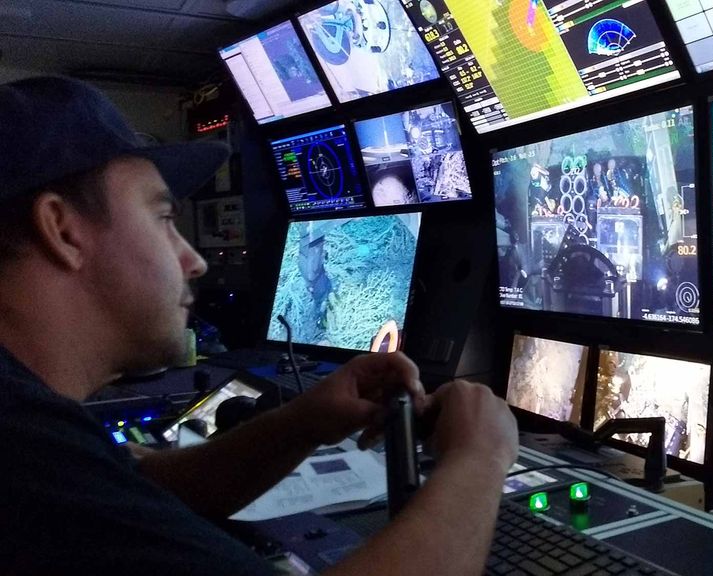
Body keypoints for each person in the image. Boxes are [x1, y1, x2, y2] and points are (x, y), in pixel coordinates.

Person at [0, 76, 519, 574]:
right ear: (62, 229)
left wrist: (305, 420)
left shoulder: (41, 442)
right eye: (163, 218)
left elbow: (148, 489)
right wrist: (481, 459)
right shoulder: (22, 450)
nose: (194, 261)